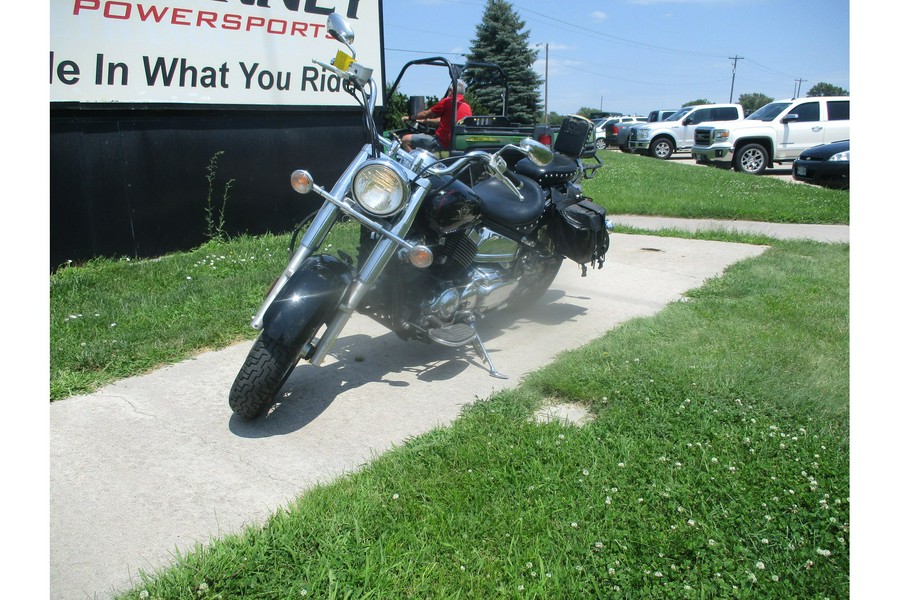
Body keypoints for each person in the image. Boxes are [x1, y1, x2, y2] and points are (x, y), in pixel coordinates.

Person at [401, 81, 472, 153]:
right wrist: (426, 121)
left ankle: (417, 164)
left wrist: (410, 117)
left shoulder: (448, 101)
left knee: (405, 140)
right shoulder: (467, 106)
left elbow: (426, 113)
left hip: (442, 142)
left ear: (450, 91)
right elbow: (445, 120)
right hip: (455, 143)